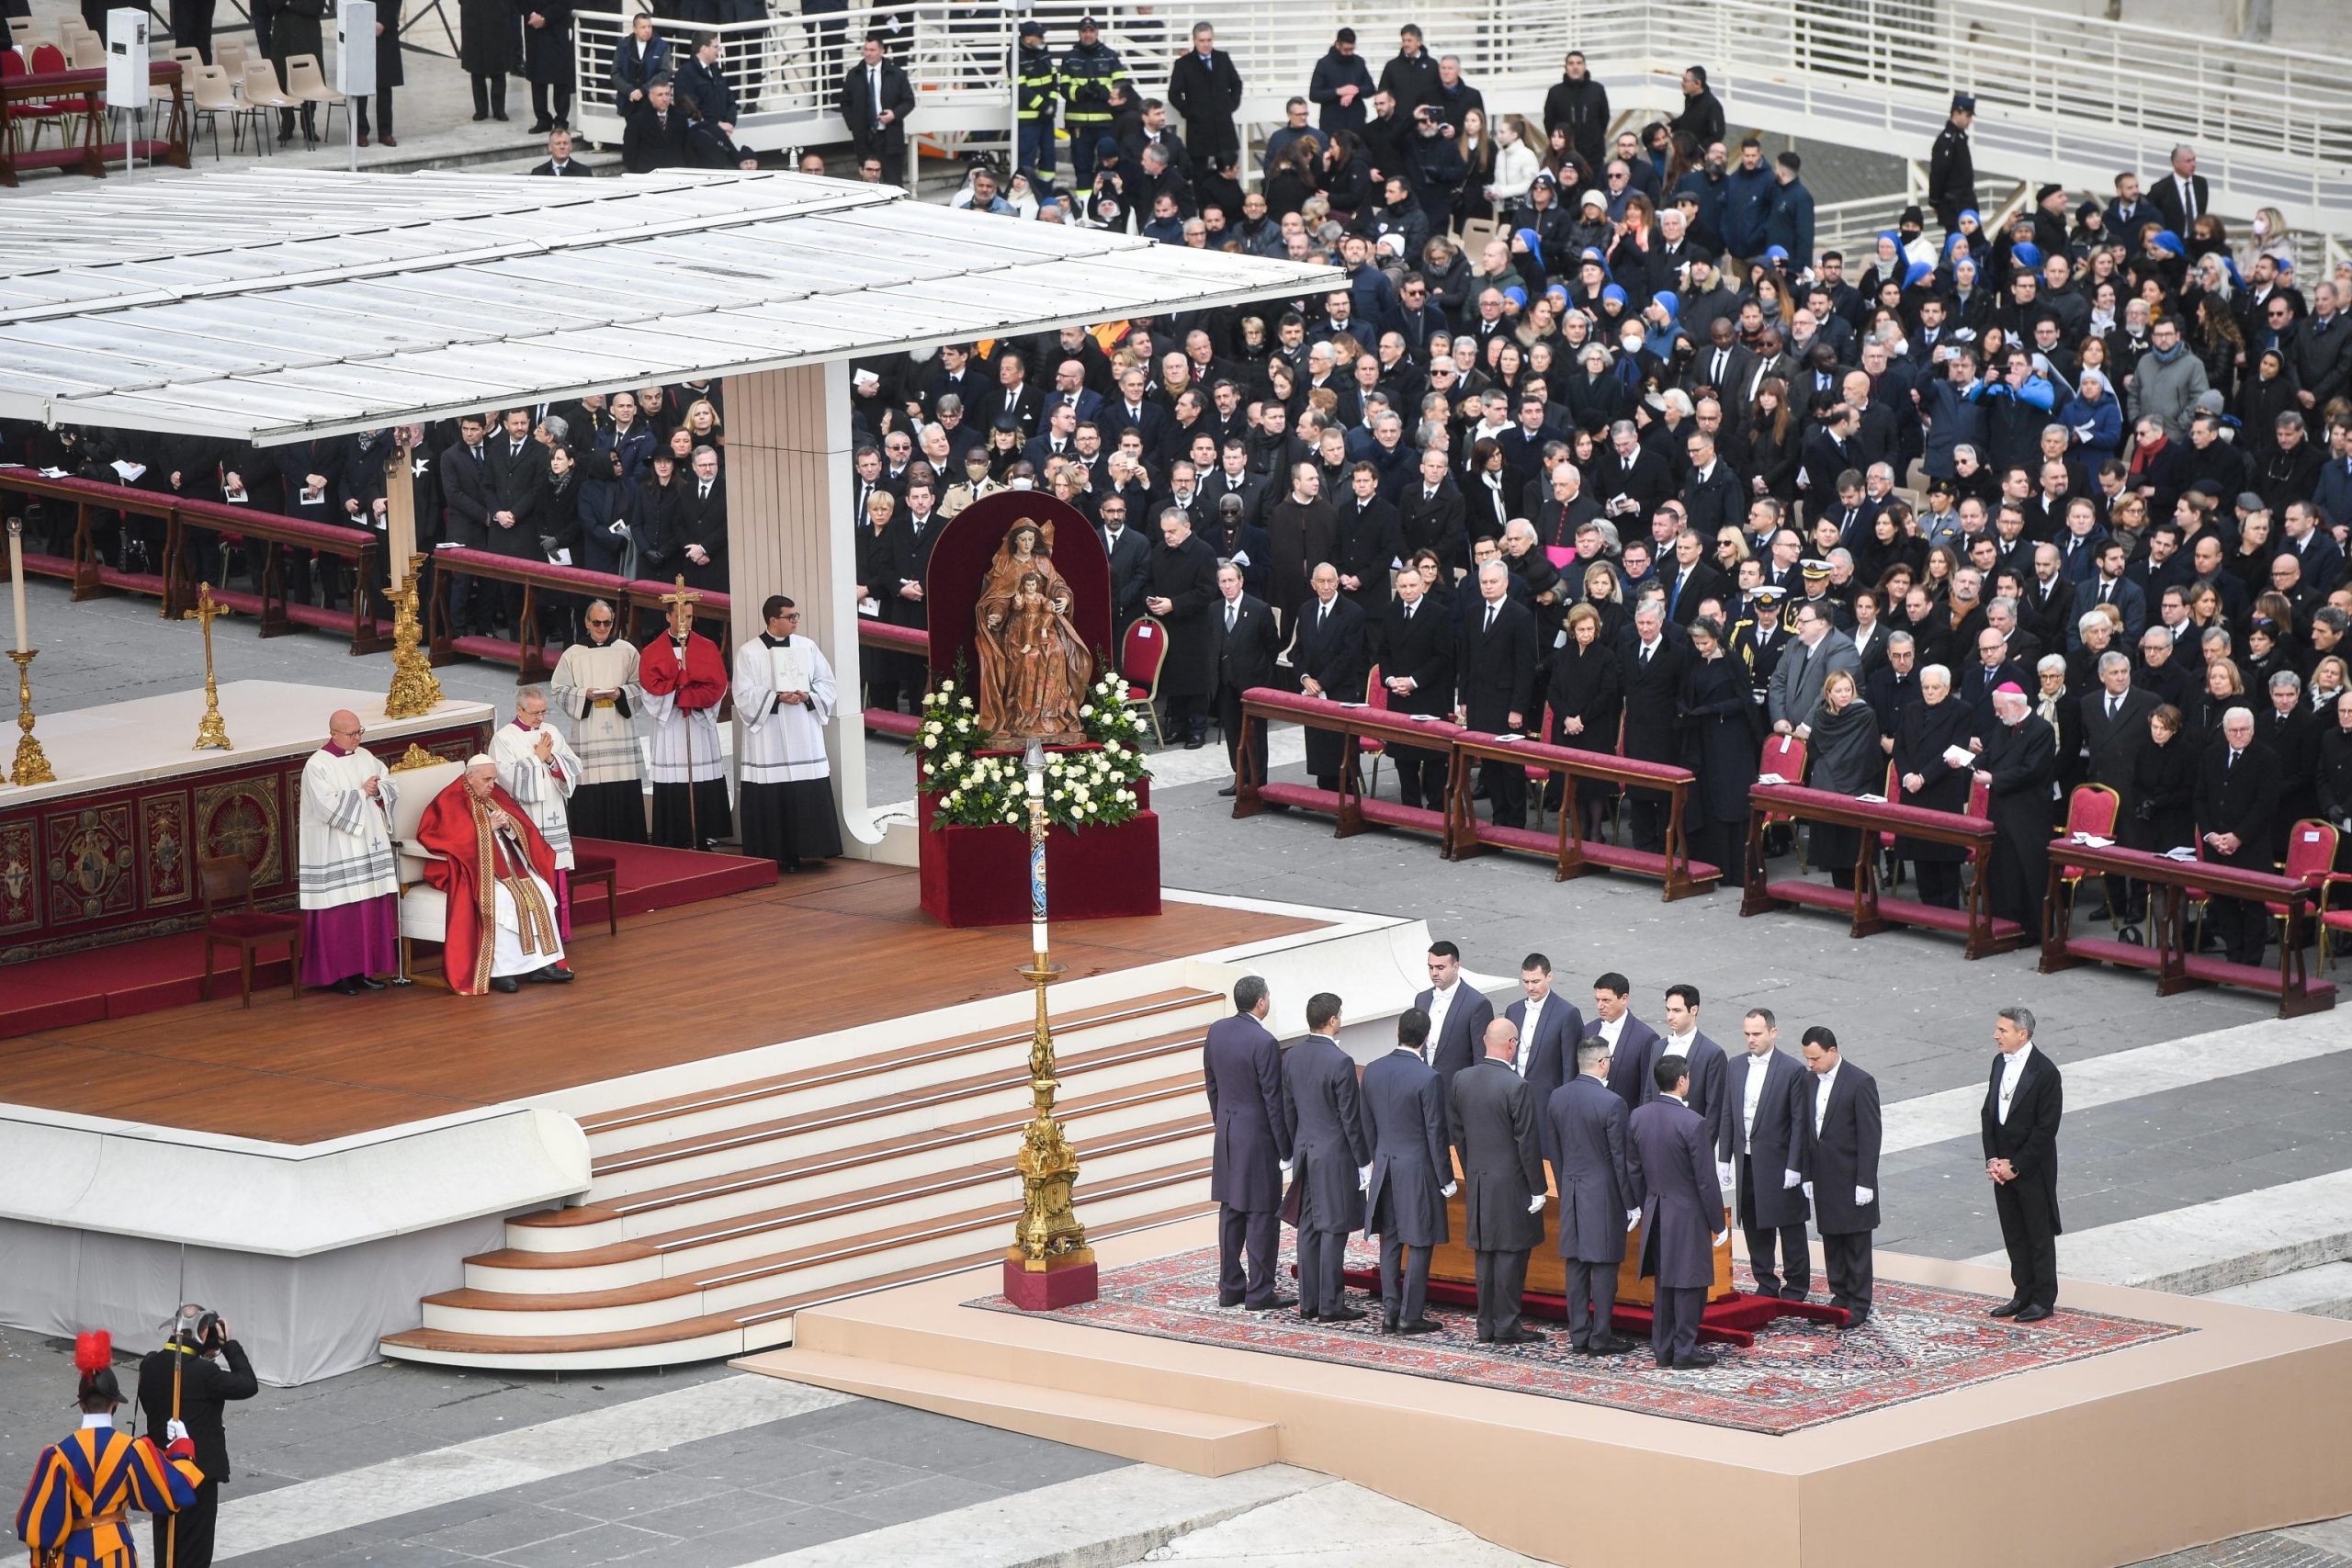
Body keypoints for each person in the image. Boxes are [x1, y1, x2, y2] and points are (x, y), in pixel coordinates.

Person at [18, 1333, 203, 1566]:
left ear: (82, 1404)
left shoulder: (57, 1456)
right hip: (118, 1555)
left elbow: (39, 1527)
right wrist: (181, 1448)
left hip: (72, 1557)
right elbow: (172, 1493)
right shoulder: (134, 1450)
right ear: (115, 1404)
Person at [418, 758, 572, 995]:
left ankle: (543, 964)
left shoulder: (494, 794)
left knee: (540, 888)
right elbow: (439, 839)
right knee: (501, 900)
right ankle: (503, 972)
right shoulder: (449, 800)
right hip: (476, 871)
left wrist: (509, 825)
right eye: (487, 779)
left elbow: (523, 828)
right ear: (470, 777)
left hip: (510, 866)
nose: (492, 785)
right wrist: (485, 826)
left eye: (494, 779)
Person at [1450, 1018, 1548, 1344]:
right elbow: (1527, 1142)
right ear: (1512, 1044)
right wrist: (1538, 1188)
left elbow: (1458, 1134)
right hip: (1512, 1184)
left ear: (1483, 1040)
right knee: (1509, 1255)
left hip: (1479, 1179)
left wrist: (1472, 1168)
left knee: (1486, 1255)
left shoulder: (1461, 1079)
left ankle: (1486, 1324)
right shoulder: (1516, 1086)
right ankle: (1506, 1325)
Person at [135, 1306, 256, 1568]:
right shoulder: (204, 1374)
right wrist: (228, 1345)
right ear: (204, 1331)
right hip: (196, 1475)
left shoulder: (150, 1365)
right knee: (194, 1554)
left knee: (166, 1549)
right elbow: (248, 1384)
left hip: (161, 1470)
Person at [1627, 1055, 1727, 1369]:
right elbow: (1705, 1180)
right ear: (1682, 1081)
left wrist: (1642, 1203)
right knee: (1689, 1284)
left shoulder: (1639, 1116)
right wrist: (1718, 1223)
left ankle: (1663, 1348)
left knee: (1665, 1283)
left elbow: (1633, 1168)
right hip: (1687, 1215)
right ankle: (1684, 1350)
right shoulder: (1693, 1122)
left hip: (1656, 1209)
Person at [1540, 1036, 1638, 1355]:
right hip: (1604, 1194)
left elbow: (1554, 1151)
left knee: (1576, 1265)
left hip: (1571, 1188)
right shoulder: (1612, 1102)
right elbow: (1620, 1159)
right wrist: (1631, 1202)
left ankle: (1578, 1332)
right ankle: (1600, 1337)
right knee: (1605, 1266)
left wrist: (1565, 1183)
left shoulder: (1557, 1097)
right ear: (1602, 1062)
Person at [734, 595, 844, 874]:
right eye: (790, 617)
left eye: (797, 616)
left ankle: (811, 848)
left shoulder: (807, 646)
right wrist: (776, 697)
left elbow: (827, 683)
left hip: (802, 728)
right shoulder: (749, 652)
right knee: (774, 785)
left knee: (805, 785)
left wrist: (808, 695)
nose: (796, 621)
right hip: (769, 733)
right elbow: (743, 694)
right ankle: (776, 852)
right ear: (773, 620)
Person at [1203, 976, 1292, 1311]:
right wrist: (1285, 1149)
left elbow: (1211, 1082)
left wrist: (1222, 1122)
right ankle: (1260, 1293)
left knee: (1231, 1212)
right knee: (1261, 1215)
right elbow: (1274, 1099)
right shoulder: (1264, 1041)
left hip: (1226, 1133)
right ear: (1261, 1002)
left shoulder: (1217, 1031)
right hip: (1258, 1140)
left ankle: (1230, 1288)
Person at [297, 710, 400, 997]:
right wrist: (362, 794)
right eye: (351, 733)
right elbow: (325, 807)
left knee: (367, 909)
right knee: (341, 914)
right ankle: (339, 975)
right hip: (335, 850)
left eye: (359, 732)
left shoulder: (366, 756)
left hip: (368, 845)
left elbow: (389, 783)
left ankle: (363, 971)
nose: (357, 738)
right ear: (333, 734)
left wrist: (379, 791)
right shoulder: (317, 766)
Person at [1360, 1008, 1450, 1336]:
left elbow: (1366, 1124)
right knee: (1421, 1241)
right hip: (1418, 1171)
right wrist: (1446, 1178)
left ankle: (1390, 1310)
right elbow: (1435, 1133)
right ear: (1426, 1038)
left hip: (1385, 1165)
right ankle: (1410, 1315)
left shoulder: (1373, 1070)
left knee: (1391, 1241)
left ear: (1398, 1030)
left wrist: (1377, 1156)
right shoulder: (1428, 1077)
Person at [1281, 991, 1370, 1323]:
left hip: (1305, 1150)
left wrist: (1292, 1148)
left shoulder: (1291, 1057)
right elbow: (1351, 1117)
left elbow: (1287, 1110)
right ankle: (1331, 1304)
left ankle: (1309, 1302)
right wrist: (1363, 1161)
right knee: (1333, 1228)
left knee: (1308, 1227)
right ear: (1333, 1020)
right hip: (1334, 1155)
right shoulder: (1341, 1062)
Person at [1982, 1006, 2063, 1322]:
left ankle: (2043, 1298)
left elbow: (2046, 1130)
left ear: (2022, 1034)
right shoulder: (1998, 1063)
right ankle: (2022, 1292)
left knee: (2037, 1233)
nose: (1995, 1035)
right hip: (2002, 1167)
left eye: (2002, 1030)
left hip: (2032, 1170)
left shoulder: (2046, 1073)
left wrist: (2016, 1166)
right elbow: (1988, 1113)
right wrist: (1993, 1160)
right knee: (2014, 1232)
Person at [1728, 1007, 1812, 1301]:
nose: (1751, 1039)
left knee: (1790, 1226)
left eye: (1757, 1034)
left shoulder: (1792, 1070)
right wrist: (1725, 1157)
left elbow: (1800, 1121)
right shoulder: (1735, 1066)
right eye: (1747, 1034)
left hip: (1780, 1162)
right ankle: (1765, 1282)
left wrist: (1796, 1166)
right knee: (1752, 1223)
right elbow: (1729, 1113)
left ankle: (1797, 1285)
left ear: (1773, 1033)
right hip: (1747, 1161)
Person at [639, 583, 731, 850]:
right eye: (679, 616)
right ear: (668, 617)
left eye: (689, 616)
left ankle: (701, 833)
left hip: (698, 723)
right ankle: (674, 834)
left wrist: (694, 695)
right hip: (671, 724)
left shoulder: (707, 647)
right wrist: (676, 691)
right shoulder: (653, 651)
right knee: (674, 775)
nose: (684, 622)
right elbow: (649, 688)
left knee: (700, 771)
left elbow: (718, 684)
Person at [1800, 1027, 1881, 1328]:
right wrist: (1807, 1173)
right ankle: (1840, 1294)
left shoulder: (1860, 1082)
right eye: (1807, 1059)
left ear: (1832, 1051)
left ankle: (1859, 1301)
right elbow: (1808, 1131)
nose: (1811, 1064)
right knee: (1832, 1239)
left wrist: (1866, 1181)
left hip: (1852, 1177)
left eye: (1816, 1058)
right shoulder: (1809, 1081)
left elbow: (1870, 1136)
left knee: (1856, 1243)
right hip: (1824, 1177)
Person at [548, 600, 646, 842]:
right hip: (588, 727)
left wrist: (621, 694)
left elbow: (641, 686)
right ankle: (592, 841)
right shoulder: (573, 654)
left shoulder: (627, 650)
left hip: (619, 726)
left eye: (607, 623)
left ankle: (630, 842)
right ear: (587, 623)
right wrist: (584, 695)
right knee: (589, 781)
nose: (602, 628)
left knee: (621, 780)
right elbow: (558, 689)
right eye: (597, 623)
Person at [2196, 705, 2281, 965]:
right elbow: (2200, 798)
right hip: (2216, 844)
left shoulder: (2267, 758)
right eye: (2233, 730)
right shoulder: (2212, 754)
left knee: (2254, 905)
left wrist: (2238, 836)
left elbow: (2266, 803)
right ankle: (2234, 954)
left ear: (2253, 730)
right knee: (2223, 902)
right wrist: (2210, 835)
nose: (2239, 735)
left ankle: (2251, 961)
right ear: (2225, 731)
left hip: (2250, 844)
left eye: (2244, 730)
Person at [489, 687, 582, 927]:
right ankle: (537, 928)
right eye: (535, 713)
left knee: (556, 866)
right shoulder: (504, 738)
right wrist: (537, 758)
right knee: (531, 868)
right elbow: (505, 777)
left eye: (544, 712)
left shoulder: (551, 731)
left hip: (553, 809)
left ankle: (560, 930)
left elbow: (572, 765)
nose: (541, 718)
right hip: (525, 815)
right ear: (519, 709)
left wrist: (551, 759)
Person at [1457, 558, 1539, 828]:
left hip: (1507, 703)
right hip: (1480, 701)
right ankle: (1498, 817)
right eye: (1484, 582)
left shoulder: (1520, 615)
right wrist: (1464, 699)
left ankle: (1515, 823)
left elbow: (1525, 667)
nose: (1488, 586)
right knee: (1490, 763)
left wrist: (1518, 708)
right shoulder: (1472, 612)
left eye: (1493, 582)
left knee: (1511, 766)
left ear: (1506, 583)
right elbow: (1466, 658)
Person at [1973, 683, 2056, 931]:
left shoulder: (2042, 730)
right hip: (2001, 811)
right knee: (2001, 868)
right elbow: (1989, 755)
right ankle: (2003, 922)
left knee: (2027, 870)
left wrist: (1994, 779)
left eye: (2000, 709)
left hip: (2027, 814)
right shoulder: (2004, 725)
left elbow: (2031, 770)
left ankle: (2033, 928)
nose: (1997, 715)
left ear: (2015, 706)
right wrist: (1967, 761)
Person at [1290, 563, 1370, 791]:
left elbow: (1349, 655)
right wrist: (1305, 677)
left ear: (1337, 583)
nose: (1326, 586)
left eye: (1330, 581)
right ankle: (1323, 793)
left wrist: (1322, 682)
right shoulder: (1306, 609)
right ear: (1313, 585)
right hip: (1312, 687)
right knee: (1318, 745)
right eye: (1321, 582)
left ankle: (1345, 793)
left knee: (1339, 747)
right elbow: (1298, 649)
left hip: (1339, 688)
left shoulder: (1353, 612)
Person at [1146, 506, 1220, 748]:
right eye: (1164, 531)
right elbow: (1148, 580)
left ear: (1187, 527)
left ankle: (1197, 728)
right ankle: (1176, 725)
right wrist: (1152, 601)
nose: (1168, 536)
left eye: (1172, 531)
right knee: (1172, 678)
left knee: (1195, 679)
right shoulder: (1160, 550)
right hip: (1167, 625)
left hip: (1194, 627)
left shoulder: (1204, 552)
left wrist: (1174, 604)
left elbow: (1207, 592)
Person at [1211, 560, 1278, 790]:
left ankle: (1258, 781)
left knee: (1256, 733)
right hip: (1225, 682)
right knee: (1233, 731)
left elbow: (1272, 646)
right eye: (1223, 581)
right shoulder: (1214, 609)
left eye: (1231, 580)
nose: (1227, 585)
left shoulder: (1259, 609)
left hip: (1253, 682)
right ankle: (1241, 777)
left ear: (1241, 581)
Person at [1416, 939, 1494, 1102]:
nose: (1434, 973)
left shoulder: (1477, 1004)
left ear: (1456, 967)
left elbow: (1481, 1057)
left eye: (1440, 967)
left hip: (1456, 1094)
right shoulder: (1422, 999)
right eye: (1431, 967)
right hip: (1421, 1090)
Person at [1503, 952, 1582, 1110]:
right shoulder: (1513, 1010)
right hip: (1514, 1098)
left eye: (1536, 981)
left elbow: (1570, 1065)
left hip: (1547, 1100)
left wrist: (1565, 1103)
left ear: (1549, 977)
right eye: (1525, 981)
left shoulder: (1567, 1013)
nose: (1530, 987)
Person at [1590, 970, 1663, 1109]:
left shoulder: (1645, 1038)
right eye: (1597, 1000)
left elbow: (1646, 1090)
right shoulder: (1589, 1030)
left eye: (1606, 1000)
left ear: (1624, 998)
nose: (1599, 1006)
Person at [839, 33, 914, 165]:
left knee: (892, 180)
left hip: (890, 136)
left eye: (872, 50)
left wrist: (894, 114)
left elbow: (909, 101)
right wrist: (854, 125)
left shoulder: (897, 74)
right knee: (868, 180)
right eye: (866, 50)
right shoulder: (854, 74)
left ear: (882, 51)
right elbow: (845, 102)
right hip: (864, 138)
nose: (868, 54)